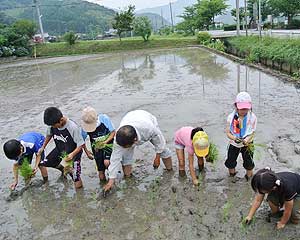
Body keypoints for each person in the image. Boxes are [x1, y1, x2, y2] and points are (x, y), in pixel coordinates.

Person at [103, 110, 172, 192]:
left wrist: (157, 157)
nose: (124, 148)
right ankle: (128, 178)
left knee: (163, 151)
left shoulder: (149, 129)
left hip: (146, 118)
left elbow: (160, 143)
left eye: (126, 146)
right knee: (126, 156)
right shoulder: (119, 138)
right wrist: (110, 181)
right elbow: (115, 159)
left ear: (135, 141)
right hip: (130, 118)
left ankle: (170, 170)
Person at [39, 107, 85, 189]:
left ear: (61, 120)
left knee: (75, 176)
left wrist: (72, 155)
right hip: (60, 149)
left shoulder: (72, 127)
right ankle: (63, 168)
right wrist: (43, 147)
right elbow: (49, 134)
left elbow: (80, 144)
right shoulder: (52, 125)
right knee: (46, 162)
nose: (53, 127)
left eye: (54, 125)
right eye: (51, 125)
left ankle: (79, 195)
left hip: (73, 152)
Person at [225, 92, 257, 181]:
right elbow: (227, 133)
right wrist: (234, 138)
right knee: (230, 161)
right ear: (236, 106)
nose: (243, 111)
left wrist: (247, 139)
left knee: (249, 162)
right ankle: (232, 176)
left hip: (247, 144)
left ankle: (249, 178)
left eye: (246, 108)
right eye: (241, 108)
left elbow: (253, 133)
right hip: (234, 143)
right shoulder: (231, 118)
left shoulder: (253, 118)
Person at [81, 106, 116, 181]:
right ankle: (103, 184)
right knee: (100, 170)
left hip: (108, 145)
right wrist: (87, 152)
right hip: (96, 149)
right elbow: (81, 141)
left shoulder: (104, 119)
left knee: (107, 162)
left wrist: (105, 142)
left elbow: (113, 132)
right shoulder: (84, 127)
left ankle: (112, 178)